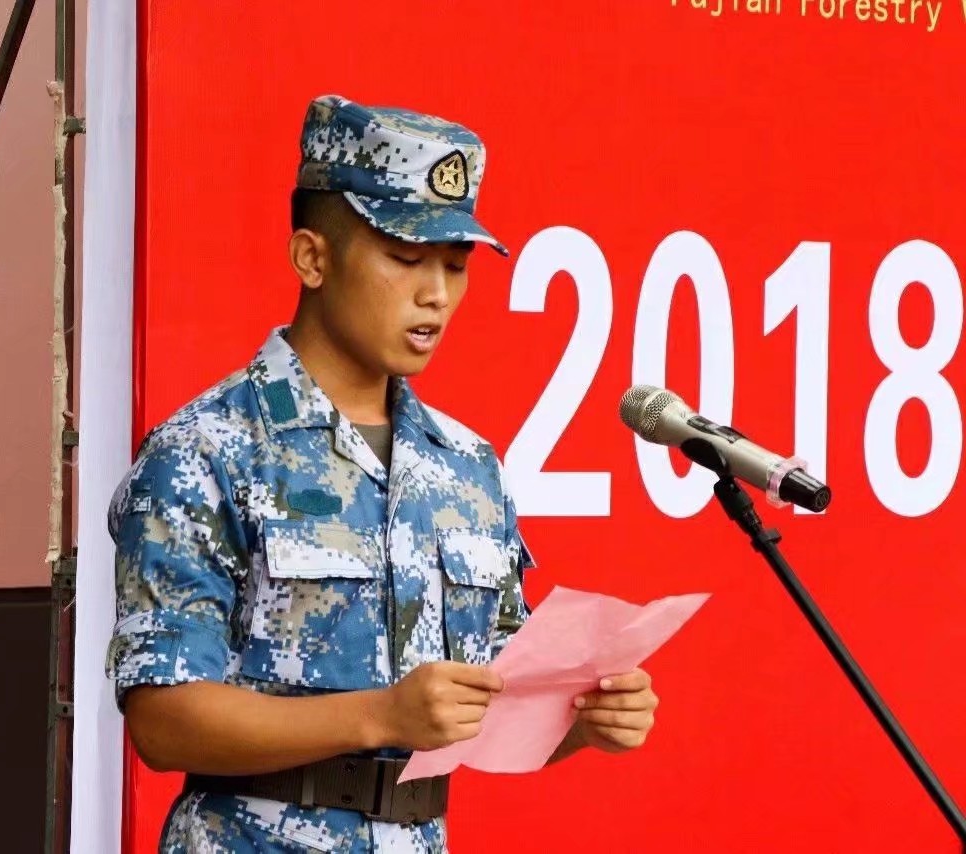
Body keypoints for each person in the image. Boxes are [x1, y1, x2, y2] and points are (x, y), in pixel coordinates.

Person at [106, 94, 660, 853]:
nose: (436, 294)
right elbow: (162, 721)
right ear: (313, 258)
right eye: (405, 259)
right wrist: (381, 715)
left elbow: (491, 709)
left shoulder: (466, 467)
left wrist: (584, 720)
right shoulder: (209, 449)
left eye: (455, 266)